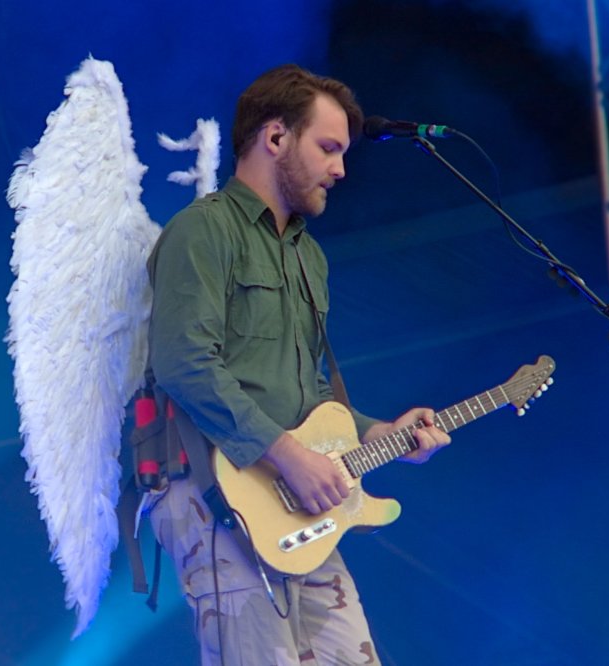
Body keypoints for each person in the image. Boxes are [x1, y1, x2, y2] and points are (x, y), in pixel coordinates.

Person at [145, 64, 452, 665]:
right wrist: (288, 454)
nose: (340, 169)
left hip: (288, 499)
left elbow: (309, 394)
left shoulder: (309, 258)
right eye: (328, 148)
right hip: (214, 494)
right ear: (276, 137)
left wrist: (378, 433)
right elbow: (182, 362)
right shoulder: (203, 231)